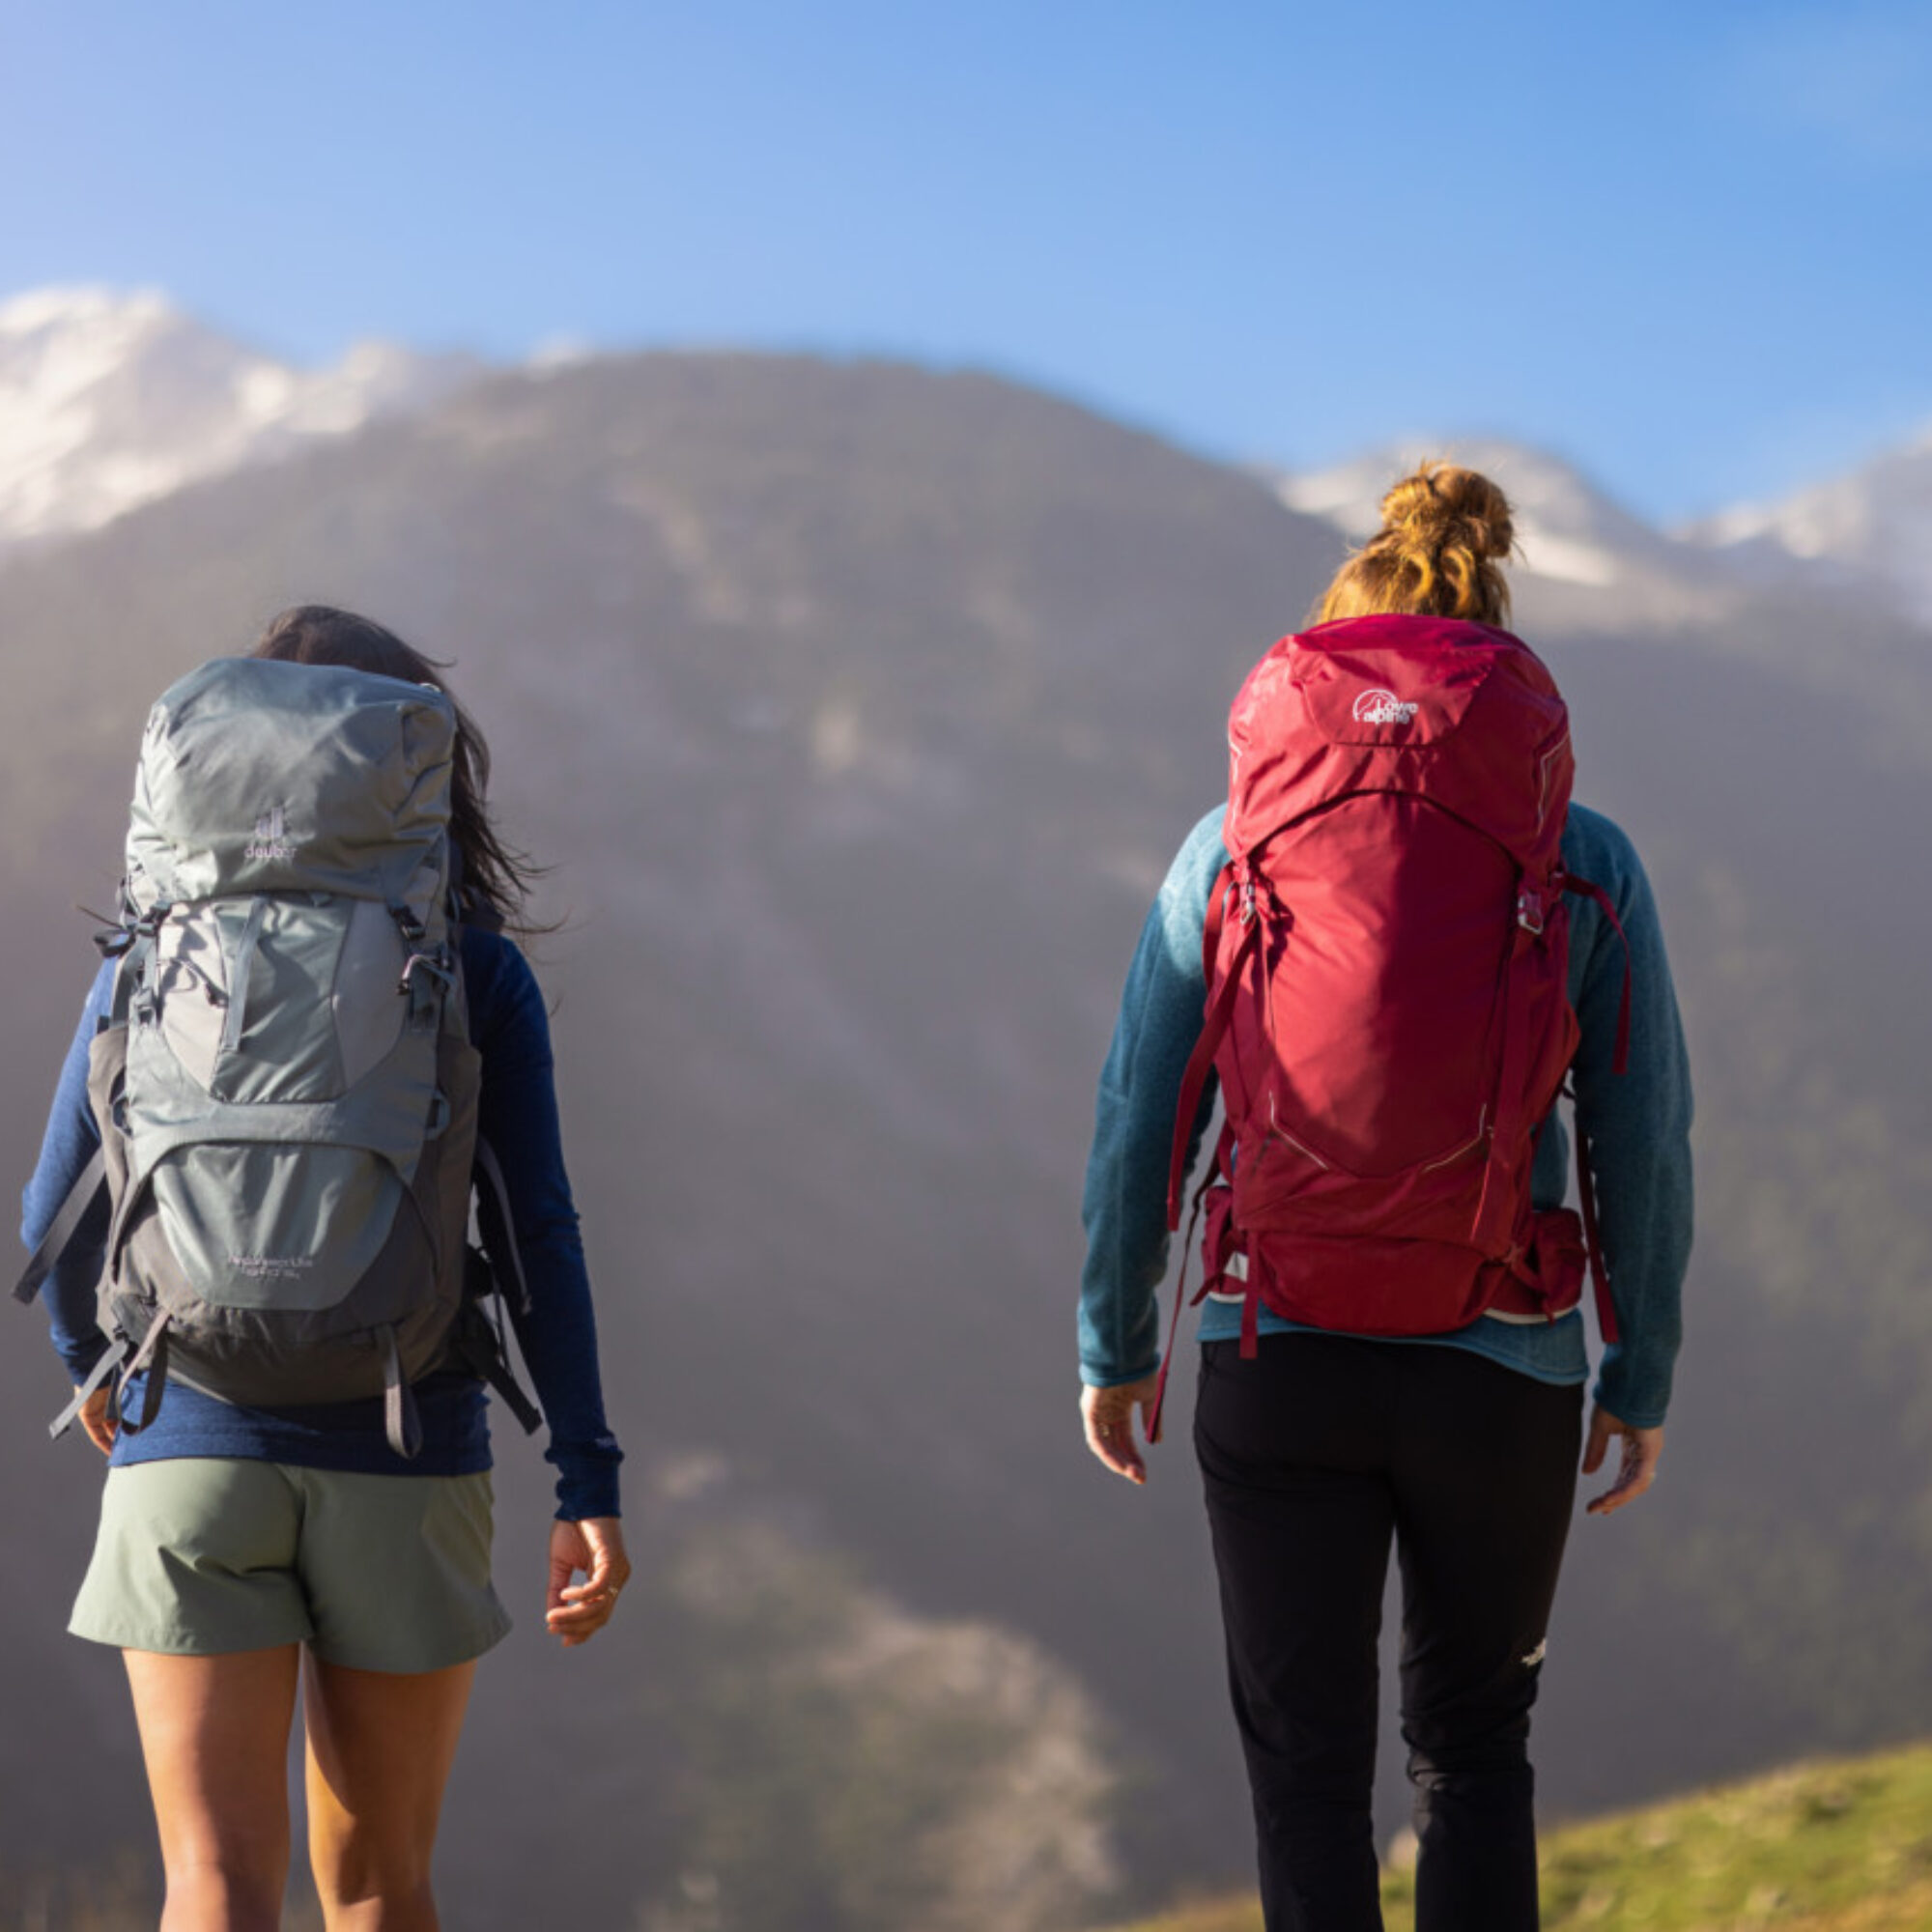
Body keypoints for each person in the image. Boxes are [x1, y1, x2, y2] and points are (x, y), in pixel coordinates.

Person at [1077, 465, 1692, 1932]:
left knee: (1304, 1777)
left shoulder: (1230, 846)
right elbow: (1644, 1132)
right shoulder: (1583, 856)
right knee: (1475, 1755)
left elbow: (1141, 1110)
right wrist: (1642, 1365)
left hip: (1275, 1348)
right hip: (1504, 1358)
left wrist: (1115, 1340)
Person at [19, 606, 629, 1932]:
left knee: (215, 1885)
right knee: (377, 1890)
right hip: (406, 1449)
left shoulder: (145, 961)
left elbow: (44, 1220)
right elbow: (542, 1242)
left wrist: (98, 1374)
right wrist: (585, 1474)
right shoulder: (473, 967)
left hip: (186, 1442)